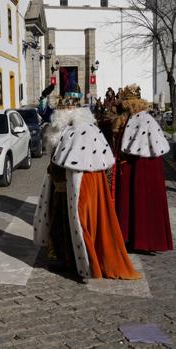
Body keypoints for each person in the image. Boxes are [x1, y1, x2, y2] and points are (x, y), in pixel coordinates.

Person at [34, 107, 140, 280]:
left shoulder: (81, 133)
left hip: (74, 186)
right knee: (60, 225)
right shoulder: (68, 132)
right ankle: (62, 259)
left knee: (77, 221)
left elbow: (81, 162)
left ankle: (75, 260)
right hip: (59, 190)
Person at [114, 85, 173, 252]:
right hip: (146, 165)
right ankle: (143, 240)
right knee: (144, 202)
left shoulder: (138, 119)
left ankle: (141, 240)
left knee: (140, 201)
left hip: (140, 165)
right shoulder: (142, 118)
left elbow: (129, 147)